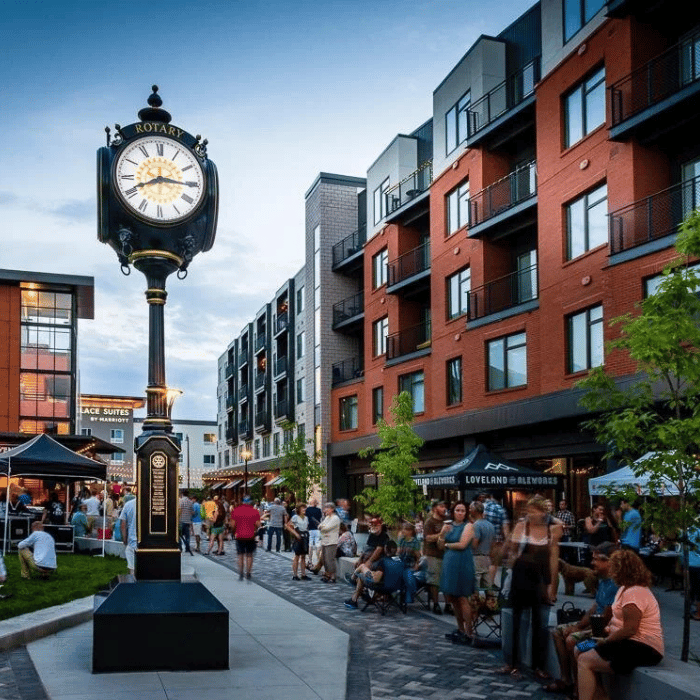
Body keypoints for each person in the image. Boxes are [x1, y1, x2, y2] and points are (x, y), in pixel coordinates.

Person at [576, 548, 664, 700]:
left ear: (622, 570)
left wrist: (607, 639)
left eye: (613, 567)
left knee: (585, 659)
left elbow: (630, 629)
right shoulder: (624, 588)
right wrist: (605, 630)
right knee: (579, 648)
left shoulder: (635, 592)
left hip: (641, 646)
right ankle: (599, 694)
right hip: (622, 640)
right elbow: (618, 622)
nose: (610, 571)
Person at [499, 494, 563, 680]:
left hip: (540, 579)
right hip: (521, 577)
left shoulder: (553, 529)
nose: (531, 515)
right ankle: (512, 663)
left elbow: (553, 559)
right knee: (516, 622)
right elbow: (512, 551)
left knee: (540, 624)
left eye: (535, 511)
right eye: (529, 511)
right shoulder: (522, 526)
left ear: (543, 512)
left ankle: (538, 665)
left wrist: (552, 585)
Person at [544, 541, 619, 695]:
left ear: (608, 562)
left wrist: (579, 628)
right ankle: (567, 680)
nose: (592, 563)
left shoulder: (614, 585)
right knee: (559, 632)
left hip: (604, 632)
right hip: (595, 627)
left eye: (596, 559)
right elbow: (594, 607)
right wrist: (579, 624)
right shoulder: (604, 581)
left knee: (573, 640)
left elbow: (604, 619)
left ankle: (579, 688)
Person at [438, 502, 476, 644]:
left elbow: (462, 544)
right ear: (453, 512)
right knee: (453, 597)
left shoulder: (469, 526)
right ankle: (460, 629)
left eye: (463, 510)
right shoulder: (448, 526)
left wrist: (447, 544)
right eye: (458, 510)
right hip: (449, 563)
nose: (460, 513)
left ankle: (469, 632)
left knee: (463, 598)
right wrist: (442, 534)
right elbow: (440, 545)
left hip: (462, 563)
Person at [344, 540, 404, 609]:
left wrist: (366, 575)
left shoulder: (383, 561)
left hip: (385, 588)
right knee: (364, 570)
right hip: (398, 587)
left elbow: (376, 579)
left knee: (362, 573)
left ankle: (354, 598)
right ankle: (354, 581)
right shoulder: (401, 560)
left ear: (386, 549)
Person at [230, 495, 261, 580]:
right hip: (250, 536)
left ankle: (240, 573)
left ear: (242, 502)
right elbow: (258, 524)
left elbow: (232, 525)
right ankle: (248, 573)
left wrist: (234, 532)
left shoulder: (236, 510)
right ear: (250, 502)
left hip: (239, 535)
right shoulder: (254, 511)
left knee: (240, 555)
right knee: (249, 555)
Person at [470, 500, 495, 589]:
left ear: (474, 511)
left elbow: (475, 543)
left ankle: (475, 601)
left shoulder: (476, 525)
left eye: (470, 509)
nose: (469, 510)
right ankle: (490, 601)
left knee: (476, 583)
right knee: (487, 583)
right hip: (487, 557)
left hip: (477, 557)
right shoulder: (490, 525)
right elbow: (492, 543)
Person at [317, 502, 341, 583]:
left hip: (331, 542)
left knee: (330, 559)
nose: (325, 510)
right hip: (324, 541)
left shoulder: (335, 518)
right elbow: (319, 525)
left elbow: (326, 528)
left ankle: (333, 575)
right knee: (324, 559)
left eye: (327, 508)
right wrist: (322, 527)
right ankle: (327, 574)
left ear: (332, 509)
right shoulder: (327, 517)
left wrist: (322, 527)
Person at [286, 503, 310, 580]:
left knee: (303, 556)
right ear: (299, 509)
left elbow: (306, 527)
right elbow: (287, 526)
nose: (304, 510)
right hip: (298, 537)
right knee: (297, 556)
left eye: (305, 508)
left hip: (305, 537)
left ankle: (303, 574)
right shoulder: (295, 517)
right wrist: (295, 533)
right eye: (303, 508)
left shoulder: (306, 518)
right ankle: (295, 575)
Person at [119, 496, 137, 576]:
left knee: (132, 568)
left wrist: (124, 538)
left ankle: (133, 584)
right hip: (149, 543)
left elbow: (123, 524)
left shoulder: (128, 504)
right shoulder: (151, 504)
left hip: (132, 541)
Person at [305, 497, 323, 568]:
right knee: (318, 545)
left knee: (310, 545)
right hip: (317, 528)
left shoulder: (308, 510)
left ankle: (310, 560)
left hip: (310, 528)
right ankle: (318, 560)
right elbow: (320, 518)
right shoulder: (319, 510)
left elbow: (306, 518)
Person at [178, 489, 194, 556]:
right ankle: (187, 548)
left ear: (182, 494)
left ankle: (180, 547)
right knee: (187, 536)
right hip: (188, 521)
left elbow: (180, 510)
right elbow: (192, 512)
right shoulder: (190, 502)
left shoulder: (181, 501)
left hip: (181, 520)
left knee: (179, 535)